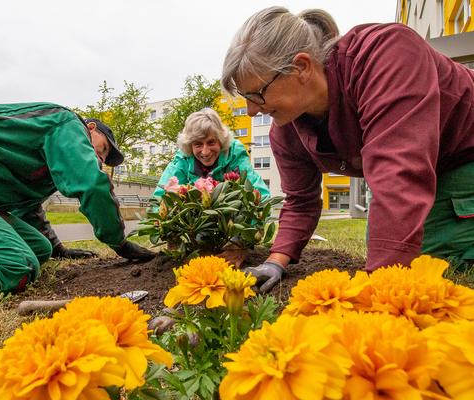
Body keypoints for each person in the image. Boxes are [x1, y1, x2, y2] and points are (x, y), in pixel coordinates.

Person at [221, 6, 474, 292]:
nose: (252, 110)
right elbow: (300, 200)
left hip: (464, 154)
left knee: (425, 264)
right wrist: (275, 261)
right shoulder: (286, 128)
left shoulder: (387, 54)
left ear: (301, 67)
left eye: (257, 94)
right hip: (422, 169)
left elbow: (398, 175)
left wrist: (375, 298)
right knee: (384, 243)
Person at [0, 102, 155, 298]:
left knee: (39, 248)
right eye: (104, 149)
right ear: (90, 128)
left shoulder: (44, 160)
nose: (101, 158)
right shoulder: (66, 123)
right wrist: (118, 241)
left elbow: (29, 207)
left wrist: (57, 248)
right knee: (16, 266)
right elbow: (91, 183)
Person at [153, 108, 270, 199]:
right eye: (198, 144)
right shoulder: (183, 159)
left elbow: (261, 196)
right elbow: (159, 199)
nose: (205, 152)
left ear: (221, 140)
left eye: (211, 142)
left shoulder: (234, 153)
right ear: (189, 145)